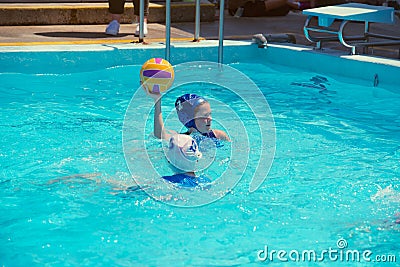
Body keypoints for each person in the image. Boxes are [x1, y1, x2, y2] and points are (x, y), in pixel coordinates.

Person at [146, 91, 230, 143]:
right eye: (205, 115)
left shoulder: (219, 136)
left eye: (210, 114)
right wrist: (157, 101)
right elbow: (160, 135)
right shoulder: (182, 141)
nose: (210, 118)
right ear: (190, 119)